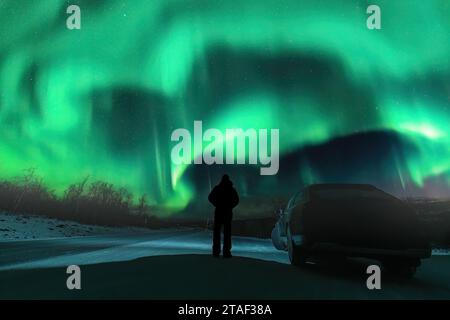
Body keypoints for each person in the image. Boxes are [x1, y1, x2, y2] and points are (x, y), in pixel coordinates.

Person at [208, 174, 239, 258]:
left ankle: (216, 252)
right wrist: (230, 206)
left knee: (217, 233)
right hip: (227, 213)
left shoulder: (217, 188)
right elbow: (236, 200)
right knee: (227, 234)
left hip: (219, 213)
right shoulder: (231, 189)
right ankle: (226, 252)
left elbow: (210, 197)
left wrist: (217, 204)